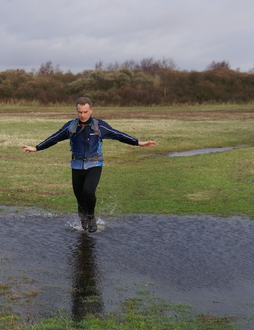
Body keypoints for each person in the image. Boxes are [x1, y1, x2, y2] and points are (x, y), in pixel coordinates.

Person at [22, 97, 157, 232]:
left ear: (91, 111)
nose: (82, 115)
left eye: (85, 112)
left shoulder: (99, 126)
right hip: (76, 165)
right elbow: (55, 138)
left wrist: (139, 143)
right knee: (79, 198)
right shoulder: (70, 126)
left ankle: (91, 217)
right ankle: (83, 220)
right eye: (80, 112)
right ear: (76, 111)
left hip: (94, 163)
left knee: (88, 191)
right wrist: (37, 148)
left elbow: (118, 135)